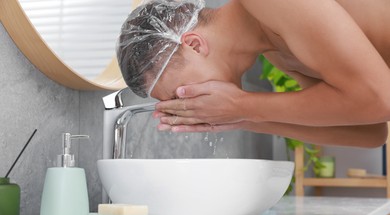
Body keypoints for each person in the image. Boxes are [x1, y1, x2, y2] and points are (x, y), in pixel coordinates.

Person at [117, 0, 390, 148]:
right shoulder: (276, 50)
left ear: (193, 44)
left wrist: (240, 106)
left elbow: (380, 100)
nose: (191, 107)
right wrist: (241, 118)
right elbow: (368, 132)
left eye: (181, 95)